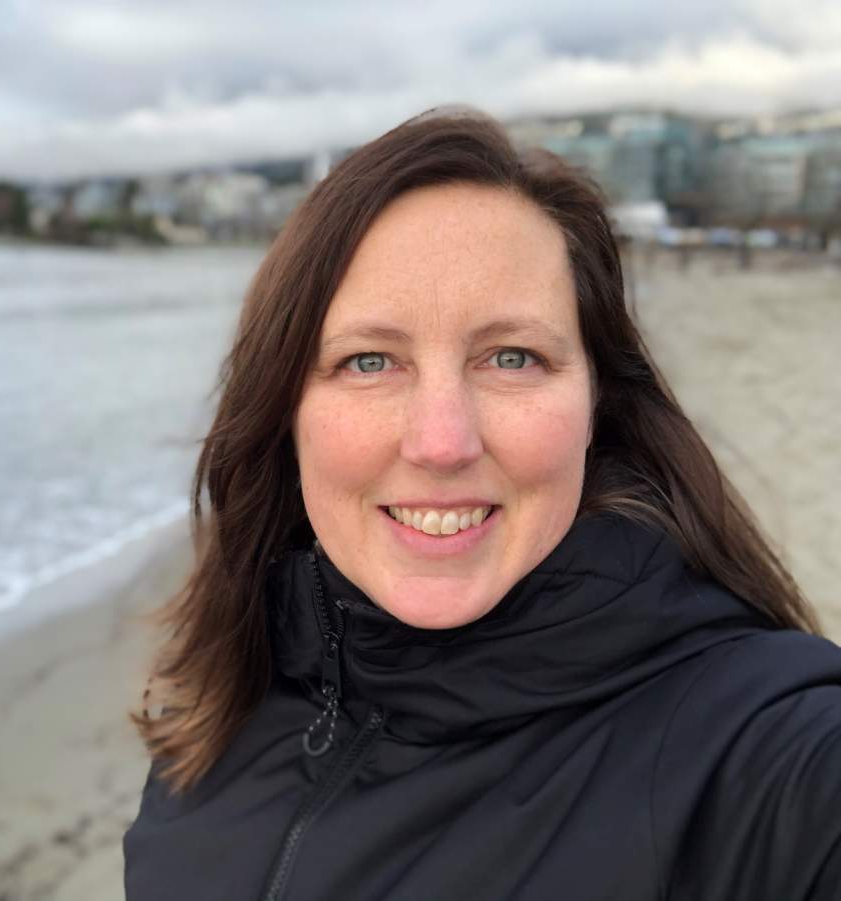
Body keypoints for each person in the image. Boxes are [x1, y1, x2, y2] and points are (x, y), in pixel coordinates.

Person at [123, 109, 841, 900]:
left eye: (511, 357)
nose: (441, 441)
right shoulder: (217, 717)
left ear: (600, 401)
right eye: (369, 361)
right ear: (282, 407)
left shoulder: (762, 758)